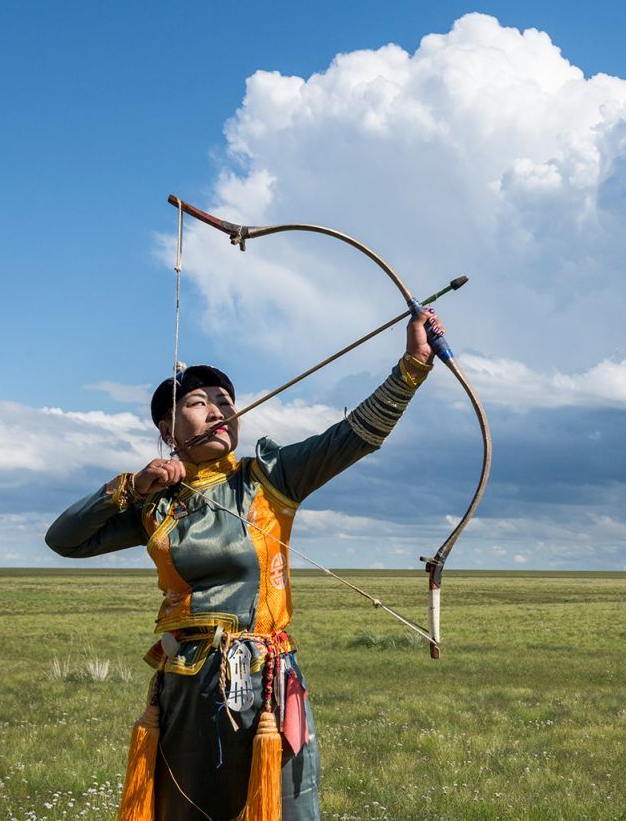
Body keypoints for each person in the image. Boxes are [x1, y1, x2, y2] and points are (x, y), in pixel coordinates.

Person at [44, 309, 443, 821]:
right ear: (167, 429)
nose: (217, 411)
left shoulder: (269, 477)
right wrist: (129, 488)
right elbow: (65, 540)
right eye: (197, 403)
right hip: (187, 684)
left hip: (268, 681)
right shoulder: (155, 505)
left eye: (225, 403)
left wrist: (412, 365)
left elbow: (354, 436)